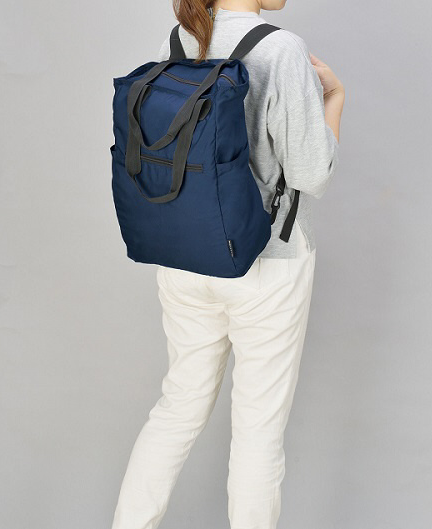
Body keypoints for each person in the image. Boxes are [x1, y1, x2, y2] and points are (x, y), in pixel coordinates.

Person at [111, 1, 345, 528]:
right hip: (266, 263)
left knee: (177, 408)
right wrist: (335, 98)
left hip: (184, 256)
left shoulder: (180, 39)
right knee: (258, 431)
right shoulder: (280, 48)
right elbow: (312, 174)